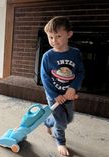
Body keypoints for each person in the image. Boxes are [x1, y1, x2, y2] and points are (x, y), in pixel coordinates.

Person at [40, 16, 84, 156]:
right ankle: (61, 142)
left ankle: (47, 121)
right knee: (61, 122)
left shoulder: (75, 53)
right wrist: (55, 96)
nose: (54, 40)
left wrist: (73, 88)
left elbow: (80, 72)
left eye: (58, 36)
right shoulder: (47, 56)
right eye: (51, 37)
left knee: (69, 118)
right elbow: (45, 78)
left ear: (69, 34)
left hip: (69, 94)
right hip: (54, 96)